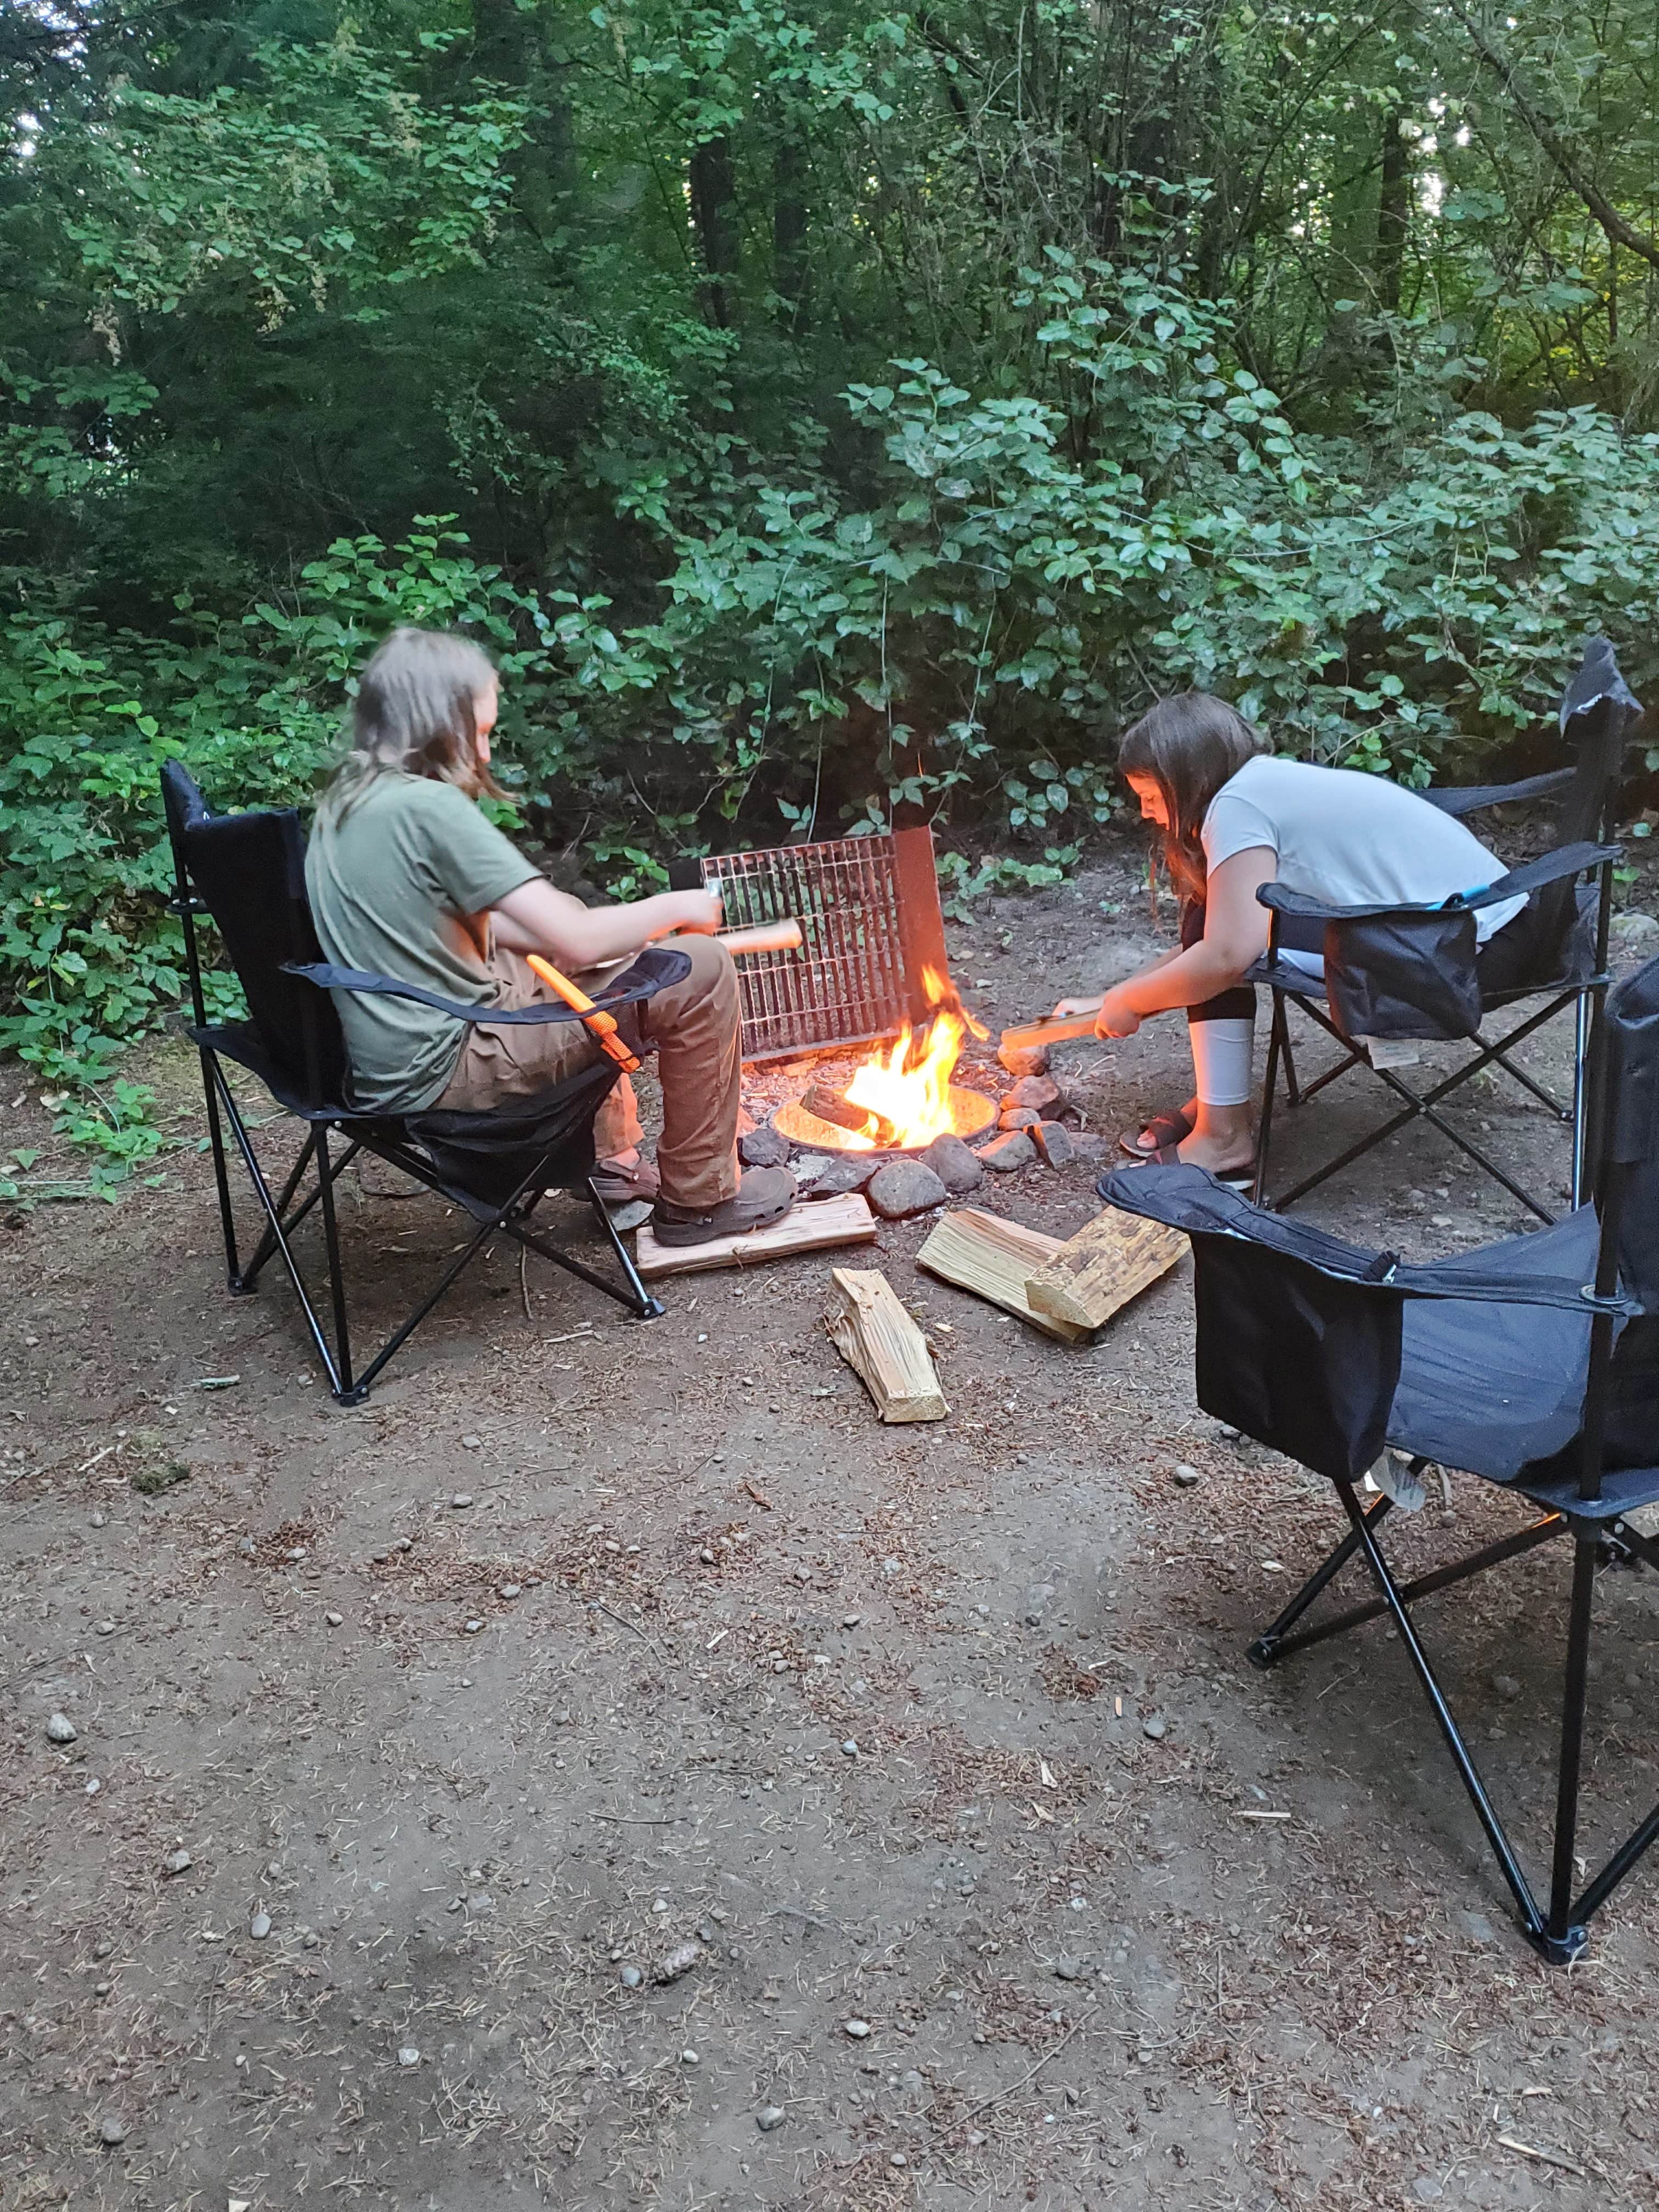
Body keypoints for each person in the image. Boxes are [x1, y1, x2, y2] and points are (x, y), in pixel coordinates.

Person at [303, 625, 794, 1246]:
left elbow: (502, 927)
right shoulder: (426, 809)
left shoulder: (345, 803)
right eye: (479, 732)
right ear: (437, 723)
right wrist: (680, 906)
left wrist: (602, 935)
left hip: (392, 1058)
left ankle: (614, 1166)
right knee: (701, 970)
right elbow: (580, 943)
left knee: (611, 956)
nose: (483, 755)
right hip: (450, 1064)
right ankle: (701, 1203)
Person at [1053, 692, 1530, 1181]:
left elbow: (1226, 956)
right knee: (1211, 914)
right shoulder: (1262, 783)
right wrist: (1112, 998)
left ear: (1186, 779)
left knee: (1219, 938)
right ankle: (1221, 1104)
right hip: (1475, 927)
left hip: (1459, 953)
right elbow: (1220, 943)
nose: (1149, 814)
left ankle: (1223, 1140)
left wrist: (1132, 1001)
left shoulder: (1237, 807)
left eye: (1151, 797)